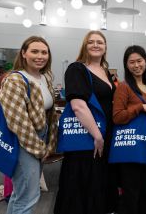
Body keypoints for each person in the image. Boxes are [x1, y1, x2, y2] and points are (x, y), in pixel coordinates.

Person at [54, 30, 118, 214]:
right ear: (85, 45)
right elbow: (78, 106)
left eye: (100, 42)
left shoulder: (105, 71)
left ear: (105, 47)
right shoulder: (77, 68)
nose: (96, 45)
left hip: (103, 134)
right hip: (87, 136)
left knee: (97, 183)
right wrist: (97, 136)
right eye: (91, 42)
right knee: (80, 184)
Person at [0, 36, 58, 214]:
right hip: (25, 142)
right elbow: (18, 123)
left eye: (44, 52)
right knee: (28, 197)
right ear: (24, 53)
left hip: (39, 138)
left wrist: (49, 142)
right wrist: (40, 149)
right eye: (34, 51)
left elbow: (49, 113)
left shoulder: (43, 78)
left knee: (21, 195)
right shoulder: (15, 80)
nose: (40, 56)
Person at [112, 45, 146, 214]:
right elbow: (117, 117)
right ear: (126, 65)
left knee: (145, 191)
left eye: (139, 61)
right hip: (130, 147)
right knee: (131, 192)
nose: (136, 65)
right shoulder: (124, 87)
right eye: (131, 62)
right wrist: (139, 107)